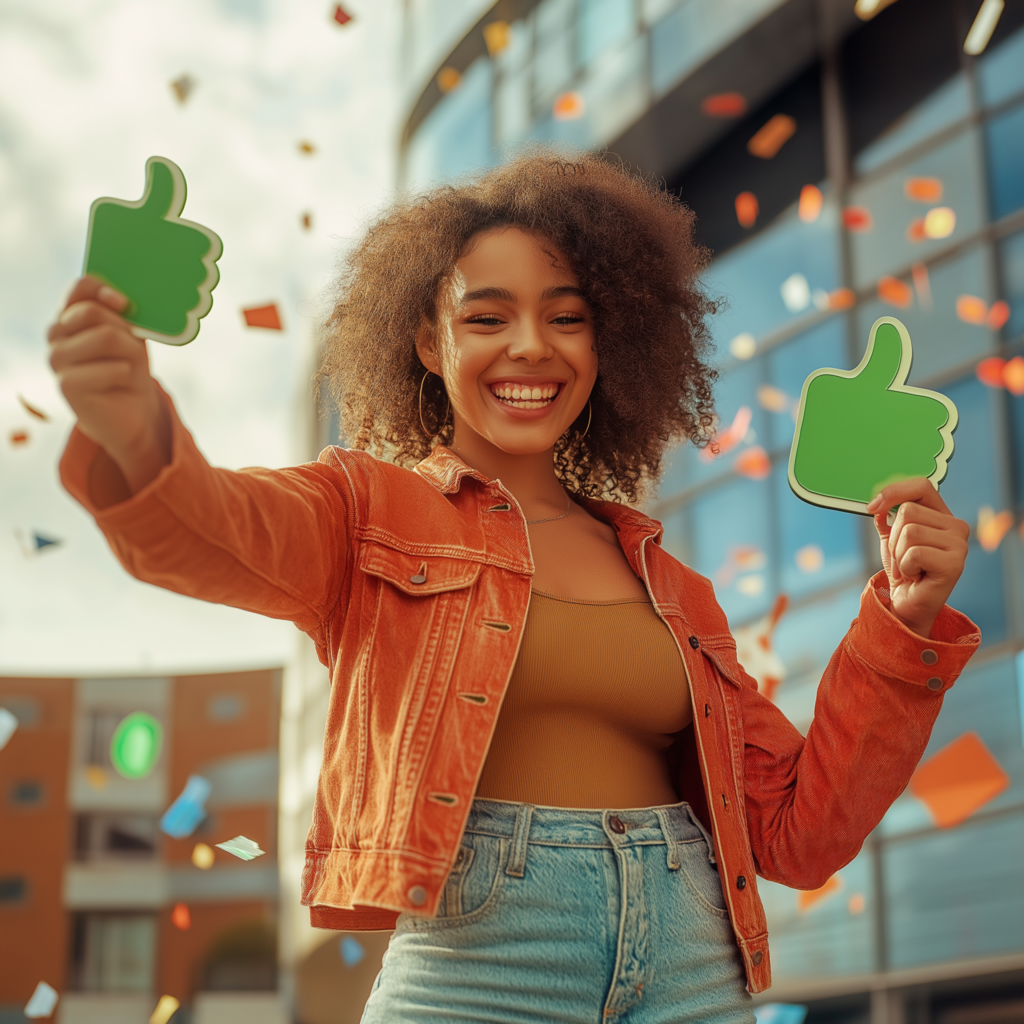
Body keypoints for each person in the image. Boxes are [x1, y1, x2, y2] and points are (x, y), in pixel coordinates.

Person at [49, 153, 977, 1023]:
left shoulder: (675, 586)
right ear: (426, 338)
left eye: (567, 318)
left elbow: (797, 834)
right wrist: (136, 433)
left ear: (608, 343)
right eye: (486, 318)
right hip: (479, 958)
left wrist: (903, 620)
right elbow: (214, 529)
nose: (531, 347)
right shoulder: (363, 508)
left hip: (694, 959)